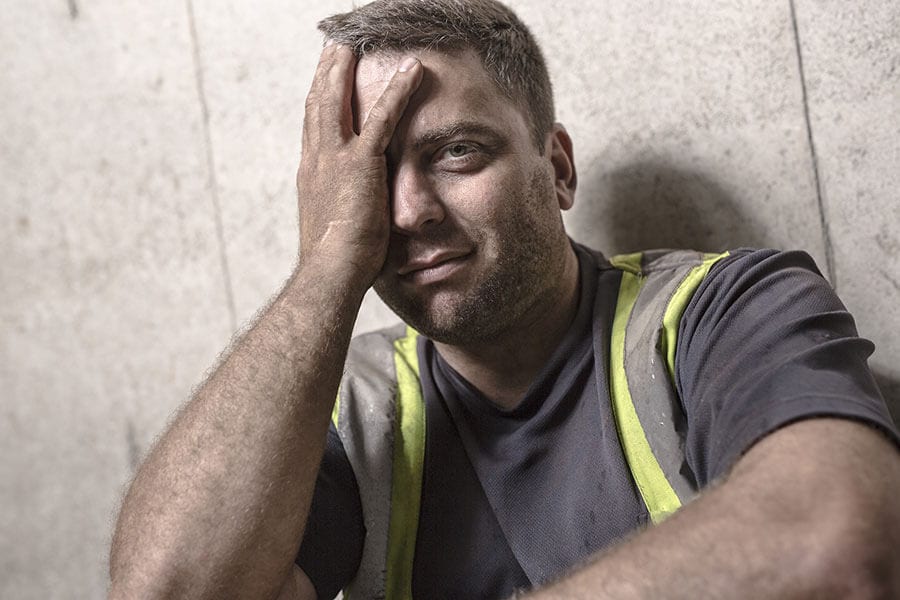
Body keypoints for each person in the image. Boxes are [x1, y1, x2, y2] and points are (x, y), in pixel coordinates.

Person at [108, 0, 900, 598]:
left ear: (556, 169)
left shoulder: (723, 310)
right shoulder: (351, 409)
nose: (409, 209)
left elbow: (840, 539)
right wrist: (323, 269)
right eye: (370, 176)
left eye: (456, 152)